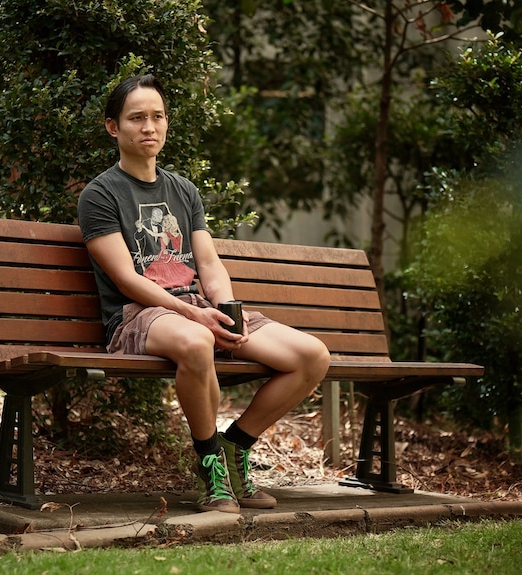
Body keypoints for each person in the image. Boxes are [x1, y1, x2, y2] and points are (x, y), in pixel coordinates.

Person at [77, 74, 331, 513]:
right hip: (139, 316)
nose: (149, 127)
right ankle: (210, 466)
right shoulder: (99, 195)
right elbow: (125, 280)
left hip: (194, 309)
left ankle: (235, 448)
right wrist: (196, 318)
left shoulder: (184, 191)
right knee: (197, 343)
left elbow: (209, 264)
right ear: (113, 128)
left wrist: (224, 309)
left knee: (313, 356)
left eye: (157, 117)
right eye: (137, 118)